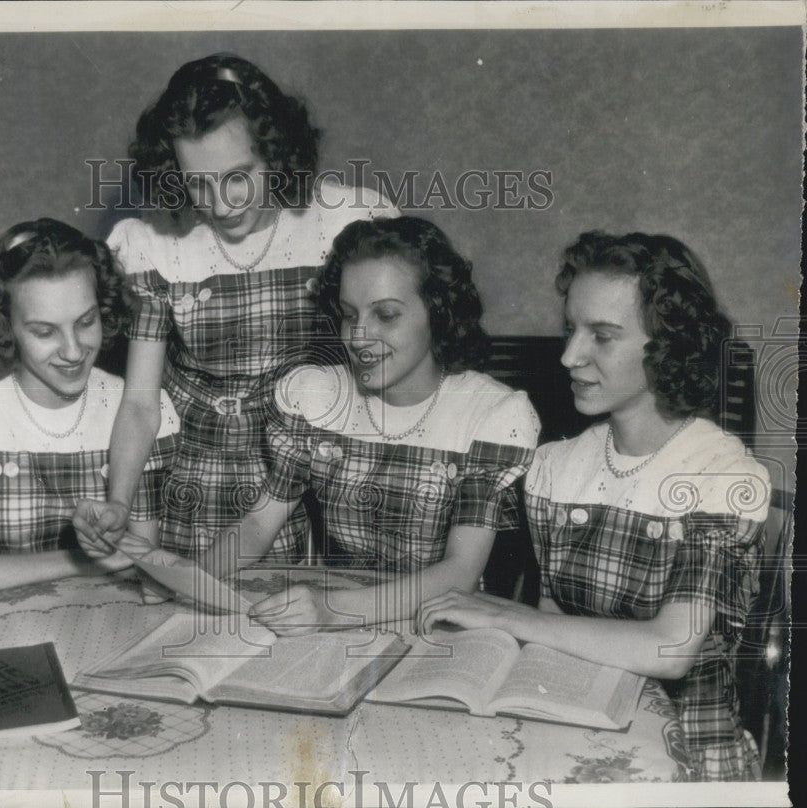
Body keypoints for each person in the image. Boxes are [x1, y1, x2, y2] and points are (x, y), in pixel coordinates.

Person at [419, 231, 770, 781]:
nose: (568, 355)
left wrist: (514, 616)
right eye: (569, 329)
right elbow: (555, 632)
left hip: (690, 751)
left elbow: (671, 648)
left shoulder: (723, 475)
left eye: (602, 337)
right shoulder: (555, 467)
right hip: (580, 725)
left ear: (669, 347)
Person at [74, 53, 395, 562]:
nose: (221, 204)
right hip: (206, 478)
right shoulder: (154, 245)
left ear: (277, 150)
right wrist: (119, 500)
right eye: (197, 183)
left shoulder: (349, 221)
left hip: (321, 462)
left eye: (239, 176)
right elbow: (140, 402)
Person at [196, 216, 539, 634]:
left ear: (438, 312)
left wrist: (333, 610)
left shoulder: (490, 415)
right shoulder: (317, 397)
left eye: (386, 315)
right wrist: (193, 579)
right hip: (331, 619)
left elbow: (460, 573)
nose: (359, 337)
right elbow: (258, 524)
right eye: (348, 315)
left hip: (439, 625)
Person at [0, 219, 179, 598]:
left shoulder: (136, 413)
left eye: (86, 322)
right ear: (6, 326)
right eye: (44, 331)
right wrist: (80, 561)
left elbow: (142, 566)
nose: (73, 351)